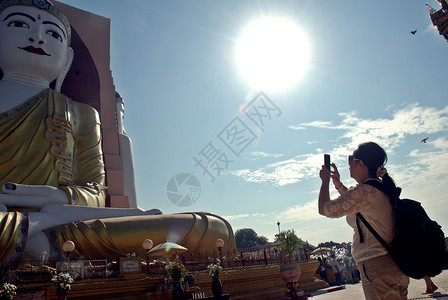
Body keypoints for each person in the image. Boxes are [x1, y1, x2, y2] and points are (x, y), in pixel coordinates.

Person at [0, 0, 235, 268]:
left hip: (66, 218)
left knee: (210, 228)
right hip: (15, 218)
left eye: (52, 33)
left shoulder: (81, 114)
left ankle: (41, 237)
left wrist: (56, 197)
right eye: (19, 24)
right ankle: (39, 234)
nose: (38, 37)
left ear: (67, 58)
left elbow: (95, 191)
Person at [318, 142, 409, 299]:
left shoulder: (365, 190)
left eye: (351, 158)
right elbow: (358, 204)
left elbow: (325, 208)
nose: (349, 163)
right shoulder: (378, 187)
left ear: (362, 164)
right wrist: (339, 185)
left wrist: (324, 181)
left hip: (376, 267)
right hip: (393, 264)